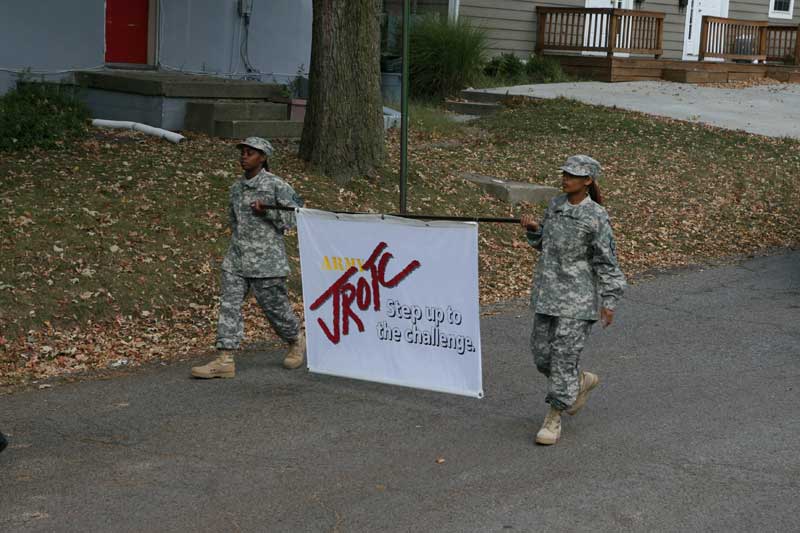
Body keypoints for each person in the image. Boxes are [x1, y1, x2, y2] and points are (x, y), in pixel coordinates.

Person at [520, 155, 626, 445]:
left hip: (577, 300)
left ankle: (553, 418)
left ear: (588, 181)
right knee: (542, 357)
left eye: (573, 175)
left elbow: (607, 261)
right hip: (547, 294)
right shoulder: (555, 205)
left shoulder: (596, 216)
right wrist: (533, 231)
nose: (565, 179)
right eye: (565, 173)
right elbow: (546, 243)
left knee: (563, 358)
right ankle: (579, 382)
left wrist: (610, 299)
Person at [192, 137, 305, 379]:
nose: (244, 156)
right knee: (229, 305)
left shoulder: (277, 186)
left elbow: (294, 220)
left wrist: (267, 213)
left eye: (251, 153)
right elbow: (233, 221)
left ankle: (296, 340)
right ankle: (225, 358)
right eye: (243, 152)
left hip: (267, 262)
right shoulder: (236, 188)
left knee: (276, 310)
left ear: (263, 158)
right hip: (237, 259)